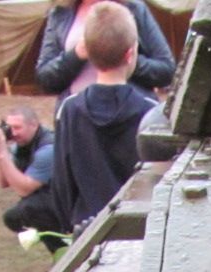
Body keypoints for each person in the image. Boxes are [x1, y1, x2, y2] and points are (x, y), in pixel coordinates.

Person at [51, 2, 158, 231]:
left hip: (87, 230)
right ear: (131, 53)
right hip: (139, 228)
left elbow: (62, 186)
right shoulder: (151, 113)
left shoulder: (69, 111)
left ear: (87, 52)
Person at [35, 0, 174, 100]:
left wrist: (122, 57)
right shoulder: (60, 13)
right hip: (78, 117)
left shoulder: (135, 9)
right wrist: (75, 55)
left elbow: (166, 70)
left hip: (131, 114)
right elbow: (45, 79)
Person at [0, 105, 65, 247]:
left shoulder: (48, 148)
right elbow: (3, 182)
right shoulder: (20, 146)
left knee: (27, 210)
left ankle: (63, 248)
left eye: (18, 128)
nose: (13, 133)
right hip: (46, 199)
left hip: (66, 201)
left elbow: (24, 189)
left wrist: (3, 153)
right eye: (10, 128)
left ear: (34, 125)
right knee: (13, 217)